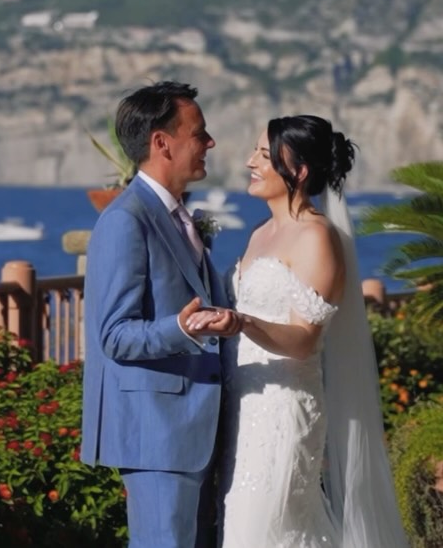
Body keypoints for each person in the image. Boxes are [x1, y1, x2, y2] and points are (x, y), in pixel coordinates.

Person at [186, 114, 408, 547]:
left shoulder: (316, 237)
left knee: (261, 531)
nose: (250, 161)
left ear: (299, 171)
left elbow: (305, 339)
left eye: (264, 154)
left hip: (283, 410)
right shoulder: (259, 233)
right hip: (242, 408)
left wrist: (242, 323)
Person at [81, 81, 240, 548]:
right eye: (200, 133)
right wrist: (183, 329)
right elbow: (114, 335)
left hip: (195, 424)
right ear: (161, 143)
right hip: (157, 431)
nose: (209, 143)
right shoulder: (125, 221)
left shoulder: (178, 216)